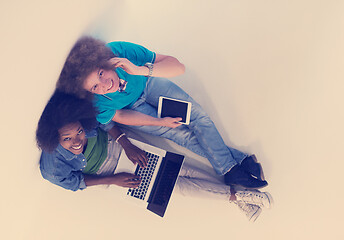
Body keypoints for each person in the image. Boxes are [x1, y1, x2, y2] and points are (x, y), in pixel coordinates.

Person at [56, 36, 268, 189]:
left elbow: (178, 67)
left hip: (149, 84)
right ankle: (237, 162)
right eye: (94, 87)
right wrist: (159, 122)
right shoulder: (95, 101)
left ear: (106, 61)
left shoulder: (119, 51)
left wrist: (138, 69)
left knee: (198, 117)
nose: (103, 85)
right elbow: (119, 117)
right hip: (134, 110)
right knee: (181, 135)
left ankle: (230, 169)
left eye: (101, 74)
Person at [36, 91, 273, 221]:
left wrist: (126, 144)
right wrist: (113, 179)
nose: (77, 141)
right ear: (53, 138)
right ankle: (238, 196)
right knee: (176, 188)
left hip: (124, 149)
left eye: (79, 132)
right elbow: (77, 182)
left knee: (179, 168)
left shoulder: (84, 118)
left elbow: (106, 123)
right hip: (111, 175)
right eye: (67, 139)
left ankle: (241, 196)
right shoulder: (51, 167)